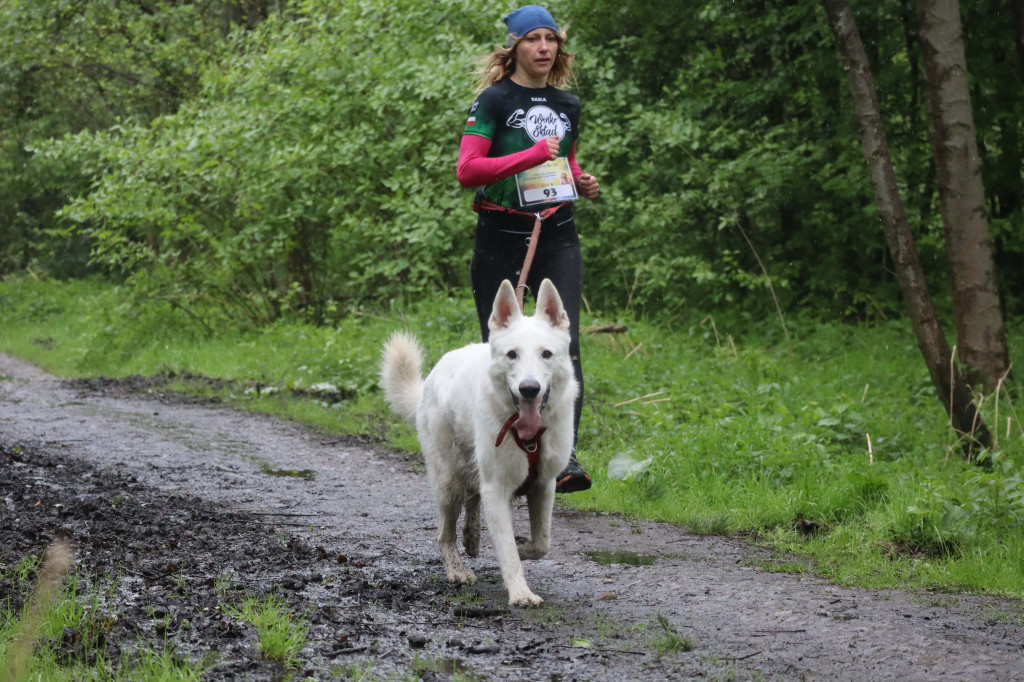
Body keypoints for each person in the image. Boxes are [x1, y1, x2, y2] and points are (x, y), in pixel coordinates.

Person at [456, 5, 600, 494]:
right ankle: (504, 454)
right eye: (533, 39)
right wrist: (528, 156)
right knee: (505, 348)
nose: (543, 47)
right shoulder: (493, 101)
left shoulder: (567, 106)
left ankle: (562, 458)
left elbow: (565, 164)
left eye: (550, 39)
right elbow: (468, 170)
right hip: (501, 234)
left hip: (557, 233)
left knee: (564, 345)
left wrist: (581, 181)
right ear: (514, 47)